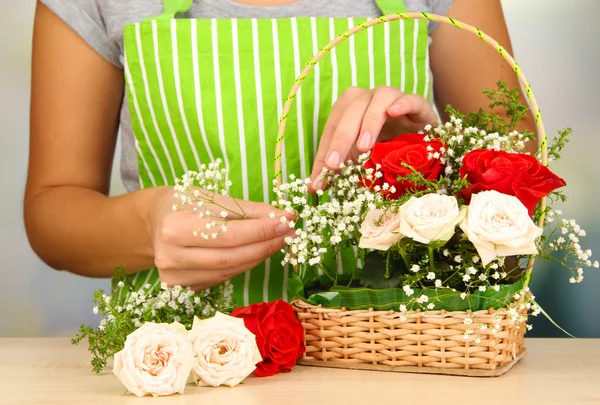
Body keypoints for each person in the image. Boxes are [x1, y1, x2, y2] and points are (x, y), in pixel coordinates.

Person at [25, 0, 536, 306]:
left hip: (395, 360)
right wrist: (144, 224)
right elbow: (52, 210)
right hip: (182, 368)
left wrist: (433, 153)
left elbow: (524, 173)